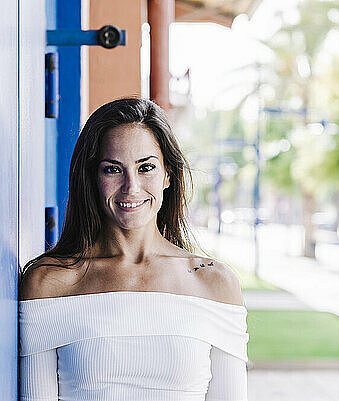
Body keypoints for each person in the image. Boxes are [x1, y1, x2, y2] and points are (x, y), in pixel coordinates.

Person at [18, 98, 249, 401]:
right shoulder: (50, 283)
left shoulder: (214, 283)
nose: (131, 187)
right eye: (113, 169)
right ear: (91, 177)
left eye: (146, 167)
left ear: (168, 175)